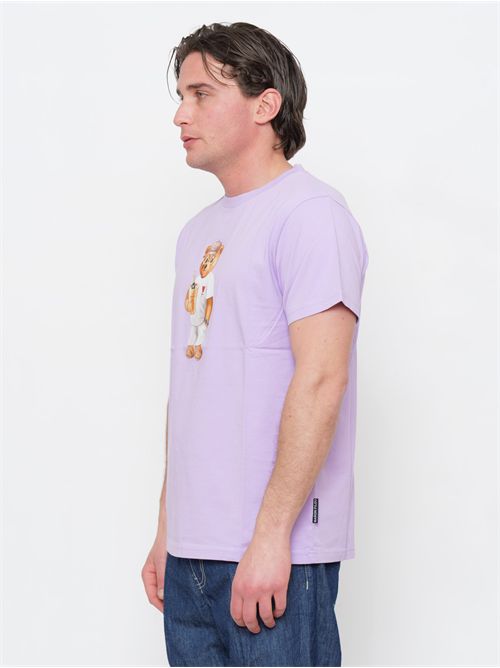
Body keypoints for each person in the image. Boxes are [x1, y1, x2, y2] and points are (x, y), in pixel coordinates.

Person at [141, 21, 369, 667]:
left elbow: (322, 378)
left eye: (201, 94)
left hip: (273, 551)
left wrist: (272, 540)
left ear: (265, 104)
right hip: (192, 553)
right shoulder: (197, 232)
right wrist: (168, 530)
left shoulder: (310, 215)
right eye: (181, 96)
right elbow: (191, 390)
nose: (181, 115)